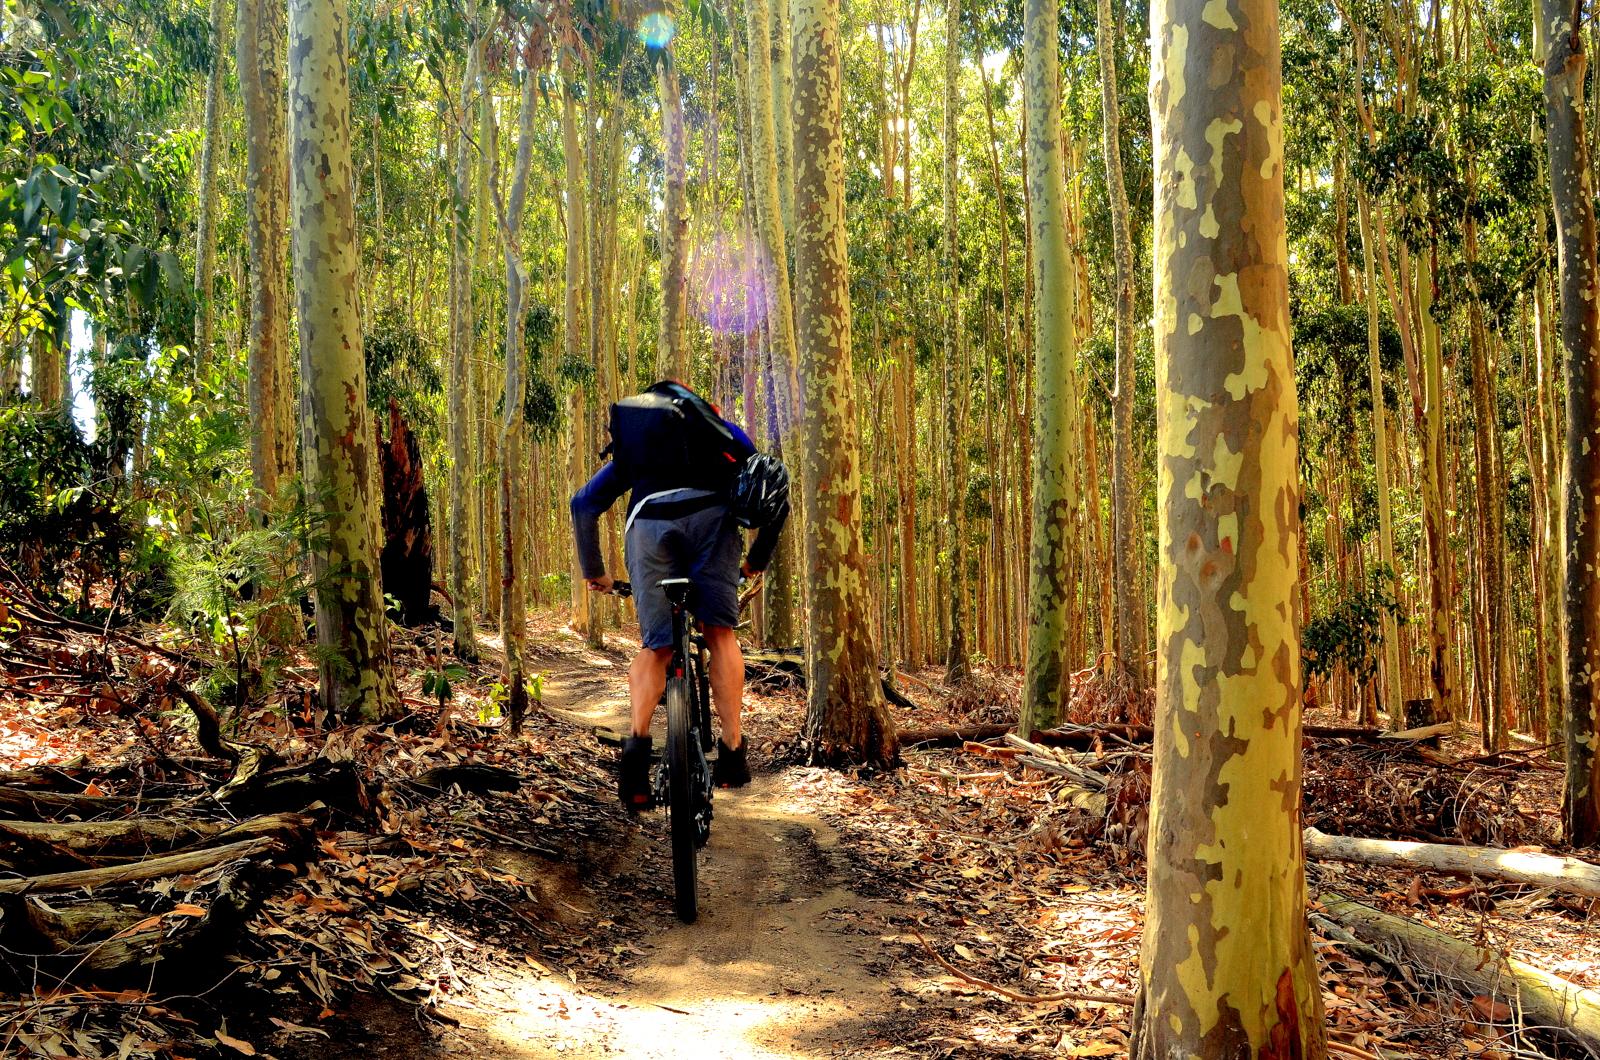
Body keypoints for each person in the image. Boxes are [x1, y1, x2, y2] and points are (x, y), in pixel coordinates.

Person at [570, 381, 788, 810]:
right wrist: (756, 560)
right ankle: (732, 752)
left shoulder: (639, 445)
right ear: (702, 408)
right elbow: (773, 486)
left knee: (657, 647)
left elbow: (584, 504)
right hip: (713, 522)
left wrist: (595, 572)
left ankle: (635, 764)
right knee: (720, 634)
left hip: (649, 527)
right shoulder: (723, 434)